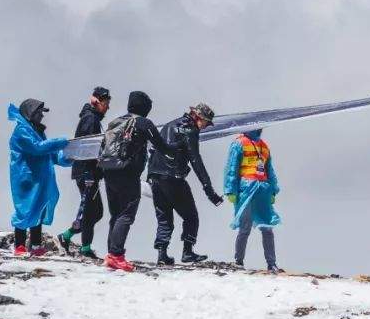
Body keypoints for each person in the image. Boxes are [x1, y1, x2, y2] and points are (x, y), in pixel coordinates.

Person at [99, 91, 169, 272]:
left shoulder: (115, 122)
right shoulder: (144, 123)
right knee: (126, 214)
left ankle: (111, 255)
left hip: (109, 171)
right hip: (127, 173)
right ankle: (116, 255)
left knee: (115, 214)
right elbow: (161, 146)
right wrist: (179, 148)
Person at [148, 103, 224, 265]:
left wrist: (150, 176)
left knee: (164, 217)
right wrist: (209, 191)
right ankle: (187, 252)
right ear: (198, 117)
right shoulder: (190, 130)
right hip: (173, 179)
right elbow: (195, 160)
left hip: (156, 178)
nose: (205, 127)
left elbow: (153, 150)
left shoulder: (169, 125)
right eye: (206, 122)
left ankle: (162, 255)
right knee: (191, 217)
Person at [8, 99, 71, 256]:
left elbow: (52, 155)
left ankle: (36, 245)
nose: (42, 116)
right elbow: (37, 148)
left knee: (39, 209)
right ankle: (20, 245)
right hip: (26, 179)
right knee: (25, 209)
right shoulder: (21, 131)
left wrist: (70, 157)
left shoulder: (36, 131)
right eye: (39, 112)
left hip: (39, 179)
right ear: (31, 113)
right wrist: (61, 142)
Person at [58, 86, 111, 259]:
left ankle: (67, 237)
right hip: (87, 173)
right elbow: (88, 147)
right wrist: (91, 171)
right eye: (105, 103)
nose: (107, 107)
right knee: (93, 211)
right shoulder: (91, 119)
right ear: (96, 101)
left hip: (86, 172)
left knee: (95, 211)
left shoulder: (91, 118)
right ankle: (84, 248)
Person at [223, 129, 282, 273]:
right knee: (245, 226)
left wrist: (273, 189)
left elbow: (269, 169)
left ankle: (271, 263)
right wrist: (230, 189)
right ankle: (238, 261)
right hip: (246, 189)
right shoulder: (239, 143)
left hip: (262, 189)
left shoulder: (263, 145)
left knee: (267, 227)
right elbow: (232, 167)